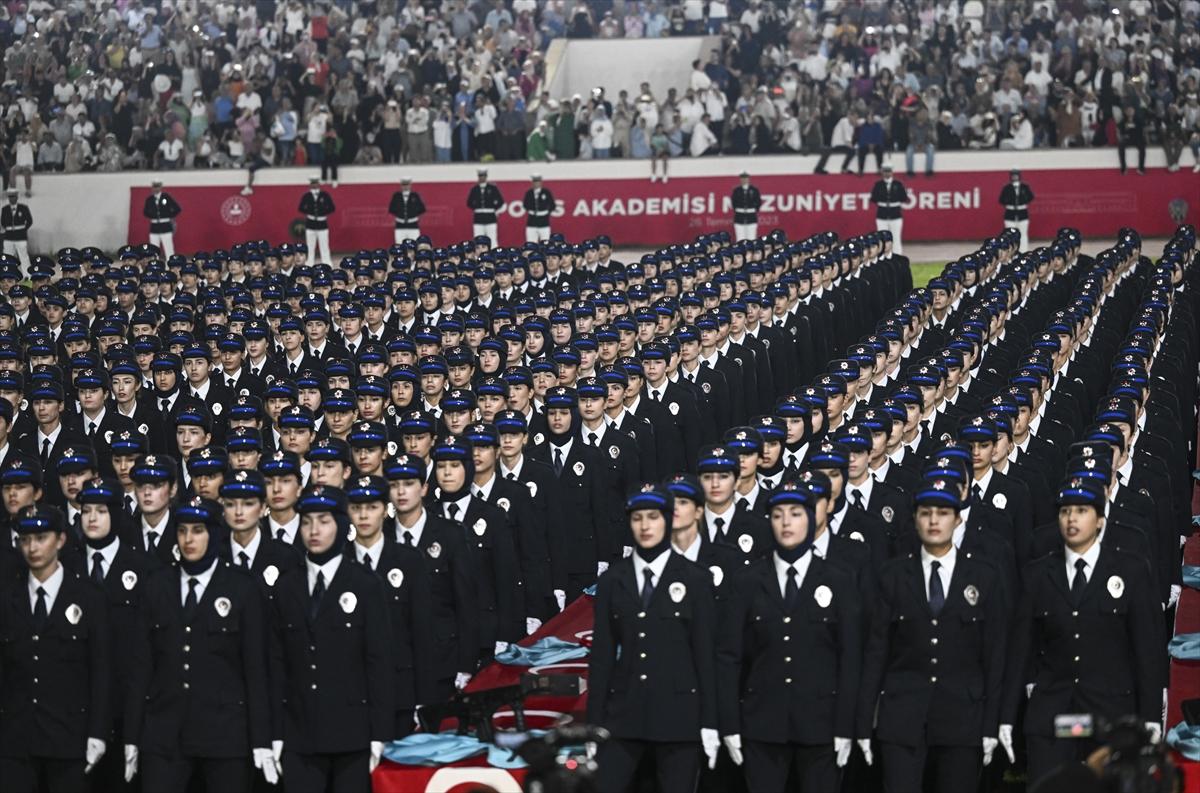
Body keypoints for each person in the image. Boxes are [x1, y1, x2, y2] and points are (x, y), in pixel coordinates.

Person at [1000, 478, 1164, 784]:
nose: (1071, 518)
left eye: (1081, 510)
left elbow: (1146, 650)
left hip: (1110, 714)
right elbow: (1020, 651)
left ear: (1100, 520)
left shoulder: (1130, 570)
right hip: (1054, 716)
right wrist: (1006, 717)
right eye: (1064, 512)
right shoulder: (1038, 575)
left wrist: (1151, 716)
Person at [857, 479, 1007, 793]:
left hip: (963, 717)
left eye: (942, 512)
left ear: (958, 518)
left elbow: (994, 656)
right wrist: (862, 721)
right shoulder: (894, 574)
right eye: (926, 513)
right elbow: (876, 652)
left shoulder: (984, 574)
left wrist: (993, 722)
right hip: (902, 716)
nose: (934, 520)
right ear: (914, 520)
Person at [718, 481, 863, 793]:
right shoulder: (747, 580)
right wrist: (729, 724)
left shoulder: (839, 579)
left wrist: (845, 724)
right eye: (778, 515)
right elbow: (730, 657)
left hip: (821, 723)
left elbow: (850, 658)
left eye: (796, 514)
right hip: (762, 723)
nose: (786, 523)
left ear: (811, 519)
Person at [128, 496, 275, 792]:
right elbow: (141, 667)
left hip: (224, 733)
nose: (188, 539)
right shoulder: (157, 585)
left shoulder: (241, 587)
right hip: (165, 733)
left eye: (197, 531)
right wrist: (132, 736)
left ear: (214, 534)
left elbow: (256, 668)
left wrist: (262, 739)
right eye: (182, 531)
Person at [588, 485, 719, 793]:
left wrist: (711, 721)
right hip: (625, 714)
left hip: (679, 716)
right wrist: (594, 723)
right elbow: (603, 656)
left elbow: (705, 656)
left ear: (667, 519)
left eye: (653, 517)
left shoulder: (695, 579)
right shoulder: (612, 581)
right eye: (637, 518)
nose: (645, 526)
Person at [268, 485, 394, 793]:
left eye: (324, 521)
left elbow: (379, 663)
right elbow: (276, 663)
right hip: (299, 732)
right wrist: (274, 732)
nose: (314, 530)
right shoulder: (286, 586)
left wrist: (380, 734)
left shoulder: (366, 585)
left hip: (352, 732)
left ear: (340, 524)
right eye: (307, 521)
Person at [0, 505, 111, 793]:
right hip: (16, 741)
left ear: (60, 540)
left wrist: (98, 733)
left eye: (41, 537)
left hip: (68, 739)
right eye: (25, 539)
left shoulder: (88, 597)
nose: (32, 547)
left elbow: (101, 671)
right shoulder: (8, 599)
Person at [869, 165, 908, 255]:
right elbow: (873, 198)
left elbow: (904, 197)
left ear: (892, 172)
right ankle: (882, 256)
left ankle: (897, 255)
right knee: (882, 238)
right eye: (885, 171)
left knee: (896, 237)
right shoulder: (878, 185)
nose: (887, 173)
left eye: (889, 171)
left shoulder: (898, 184)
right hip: (882, 214)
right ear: (882, 173)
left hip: (895, 214)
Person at [298, 177, 335, 266]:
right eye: (312, 183)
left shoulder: (325, 195)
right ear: (310, 185)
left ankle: (326, 263)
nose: (314, 185)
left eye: (316, 183)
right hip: (310, 224)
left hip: (322, 224)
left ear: (318, 184)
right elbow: (300, 208)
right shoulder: (306, 196)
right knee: (310, 246)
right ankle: (309, 263)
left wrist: (323, 213)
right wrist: (309, 212)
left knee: (324, 246)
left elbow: (332, 208)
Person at [143, 180, 181, 259]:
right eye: (154, 187)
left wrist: (169, 215)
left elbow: (177, 208)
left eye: (158, 186)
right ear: (152, 188)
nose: (156, 189)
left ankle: (171, 265)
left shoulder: (166, 197)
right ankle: (155, 266)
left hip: (165, 226)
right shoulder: (149, 199)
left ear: (160, 187)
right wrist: (153, 216)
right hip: (154, 226)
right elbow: (145, 212)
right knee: (154, 249)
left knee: (169, 249)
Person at [998, 169, 1034, 251]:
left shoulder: (1025, 187)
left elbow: (1031, 197)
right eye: (1013, 175)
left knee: (1023, 233)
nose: (1015, 177)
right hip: (1010, 213)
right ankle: (1011, 252)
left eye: (1016, 175)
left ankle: (1023, 250)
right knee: (1010, 234)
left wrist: (1023, 201)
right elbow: (1001, 200)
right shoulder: (1006, 188)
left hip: (1022, 213)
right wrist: (1008, 202)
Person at [467, 169, 504, 246]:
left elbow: (500, 201)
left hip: (490, 217)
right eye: (480, 176)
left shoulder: (493, 188)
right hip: (478, 217)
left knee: (492, 239)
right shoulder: (475, 189)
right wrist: (477, 207)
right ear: (478, 177)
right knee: (478, 239)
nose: (482, 178)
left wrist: (493, 208)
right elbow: (469, 202)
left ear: (486, 177)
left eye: (483, 176)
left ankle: (495, 256)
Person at [1, 188, 33, 275]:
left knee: (24, 257)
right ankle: (7, 274)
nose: (12, 199)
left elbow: (29, 221)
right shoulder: (5, 209)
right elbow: (3, 222)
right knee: (8, 257)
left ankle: (27, 275)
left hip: (20, 237)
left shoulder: (23, 208)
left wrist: (22, 230)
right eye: (10, 197)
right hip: (9, 237)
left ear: (17, 197)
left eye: (13, 196)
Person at [388, 178, 425, 244]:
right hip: (400, 226)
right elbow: (391, 209)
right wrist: (399, 214)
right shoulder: (396, 196)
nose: (405, 187)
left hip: (413, 226)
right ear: (401, 186)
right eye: (403, 185)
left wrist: (413, 214)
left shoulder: (415, 195)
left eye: (407, 185)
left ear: (410, 185)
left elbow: (422, 208)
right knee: (399, 245)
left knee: (414, 245)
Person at [522, 174, 555, 243]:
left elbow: (552, 205)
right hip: (532, 221)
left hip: (544, 222)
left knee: (546, 242)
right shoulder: (529, 193)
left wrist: (546, 212)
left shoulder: (546, 192)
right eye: (534, 182)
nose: (536, 184)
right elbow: (525, 205)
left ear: (541, 182)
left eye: (538, 182)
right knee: (531, 242)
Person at [731, 171, 761, 241]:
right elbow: (734, 203)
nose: (744, 180)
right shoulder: (737, 190)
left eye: (746, 178)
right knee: (740, 238)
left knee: (751, 237)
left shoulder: (754, 190)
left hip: (751, 217)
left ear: (749, 179)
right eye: (742, 178)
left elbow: (758, 202)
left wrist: (753, 209)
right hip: (739, 217)